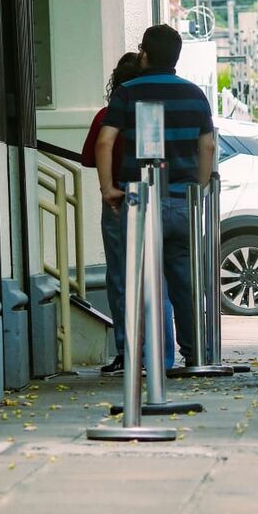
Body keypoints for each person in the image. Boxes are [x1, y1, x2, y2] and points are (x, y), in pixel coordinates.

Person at [95, 25, 216, 369]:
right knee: (185, 282)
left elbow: (104, 142)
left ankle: (155, 362)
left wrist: (108, 188)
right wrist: (198, 190)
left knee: (145, 282)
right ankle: (197, 353)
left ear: (144, 54)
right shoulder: (194, 94)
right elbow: (207, 146)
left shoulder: (128, 92)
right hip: (182, 203)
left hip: (141, 201)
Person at [82, 53, 176, 374]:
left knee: (121, 278)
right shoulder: (159, 112)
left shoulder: (108, 115)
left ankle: (127, 350)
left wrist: (107, 187)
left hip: (119, 201)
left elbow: (91, 155)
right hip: (161, 197)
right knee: (158, 278)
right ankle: (161, 352)